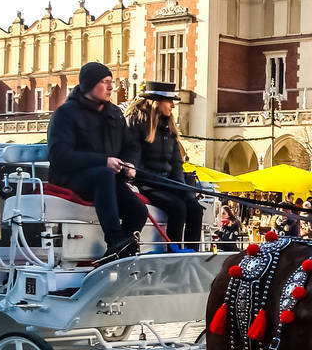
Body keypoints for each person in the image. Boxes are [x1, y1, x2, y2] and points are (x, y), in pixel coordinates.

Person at [48, 62, 147, 257]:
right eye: (105, 82)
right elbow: (60, 155)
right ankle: (115, 238)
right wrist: (104, 161)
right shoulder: (65, 114)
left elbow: (131, 145)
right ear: (89, 84)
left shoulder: (114, 113)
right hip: (72, 176)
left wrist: (129, 163)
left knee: (138, 210)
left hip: (106, 179)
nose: (111, 87)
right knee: (103, 174)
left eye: (111, 82)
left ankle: (118, 253)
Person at [127, 81, 204, 250]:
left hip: (168, 184)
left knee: (196, 209)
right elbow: (134, 157)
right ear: (157, 102)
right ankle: (173, 251)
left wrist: (181, 187)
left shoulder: (169, 128)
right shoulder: (137, 124)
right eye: (169, 102)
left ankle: (192, 251)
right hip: (148, 184)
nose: (172, 106)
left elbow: (176, 162)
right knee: (178, 208)